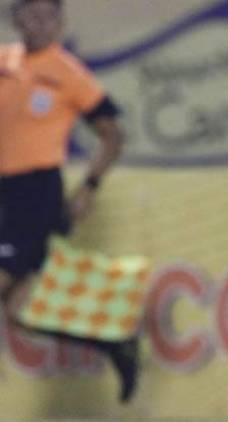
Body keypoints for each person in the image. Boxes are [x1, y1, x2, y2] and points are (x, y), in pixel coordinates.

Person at [0, 0, 135, 401]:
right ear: (15, 18)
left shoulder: (69, 73)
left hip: (34, 193)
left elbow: (113, 134)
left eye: (47, 16)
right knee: (19, 312)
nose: (39, 23)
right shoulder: (5, 61)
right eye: (30, 14)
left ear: (60, 22)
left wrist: (89, 186)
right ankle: (116, 343)